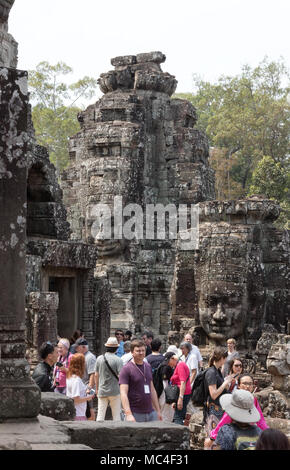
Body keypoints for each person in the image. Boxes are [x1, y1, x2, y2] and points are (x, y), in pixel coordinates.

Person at [206, 373, 268, 449]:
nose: (247, 386)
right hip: (235, 433)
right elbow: (225, 420)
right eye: (244, 383)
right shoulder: (235, 400)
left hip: (249, 433)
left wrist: (269, 433)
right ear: (238, 385)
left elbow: (260, 420)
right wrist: (213, 437)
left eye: (250, 384)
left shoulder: (253, 400)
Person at [119, 339, 162, 422]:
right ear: (132, 352)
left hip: (150, 412)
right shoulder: (126, 369)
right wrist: (128, 414)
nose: (141, 353)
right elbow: (123, 392)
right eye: (138, 351)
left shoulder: (148, 366)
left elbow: (152, 389)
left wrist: (158, 410)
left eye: (143, 350)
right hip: (134, 412)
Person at [204, 347, 234, 436]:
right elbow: (213, 394)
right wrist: (225, 383)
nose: (226, 361)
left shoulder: (217, 371)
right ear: (222, 358)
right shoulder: (211, 372)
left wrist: (227, 382)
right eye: (225, 359)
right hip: (214, 410)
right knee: (213, 437)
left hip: (220, 408)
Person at [95, 337, 123, 421]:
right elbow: (120, 376)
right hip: (115, 391)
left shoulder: (99, 358)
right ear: (117, 348)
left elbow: (96, 375)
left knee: (100, 415)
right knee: (116, 416)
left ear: (106, 347)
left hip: (102, 389)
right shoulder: (118, 360)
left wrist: (97, 389)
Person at [66, 353, 95, 421]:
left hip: (76, 413)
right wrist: (88, 398)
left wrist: (87, 391)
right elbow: (75, 400)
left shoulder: (70, 378)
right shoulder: (77, 380)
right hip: (78, 414)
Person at [75, 337, 97, 420]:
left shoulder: (90, 357)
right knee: (86, 408)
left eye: (78, 347)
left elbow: (93, 374)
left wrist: (89, 388)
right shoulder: (83, 356)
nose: (76, 349)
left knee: (90, 407)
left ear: (84, 347)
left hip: (88, 386)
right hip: (84, 386)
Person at [154, 352, 178, 423]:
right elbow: (165, 382)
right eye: (174, 359)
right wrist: (169, 396)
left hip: (160, 393)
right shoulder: (166, 367)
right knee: (166, 413)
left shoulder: (163, 365)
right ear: (170, 359)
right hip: (163, 393)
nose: (176, 361)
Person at [170, 355, 192, 425]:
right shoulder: (180, 365)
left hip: (183, 393)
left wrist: (180, 398)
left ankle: (178, 434)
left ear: (173, 359)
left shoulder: (180, 365)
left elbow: (183, 382)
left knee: (178, 417)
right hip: (183, 393)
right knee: (180, 416)